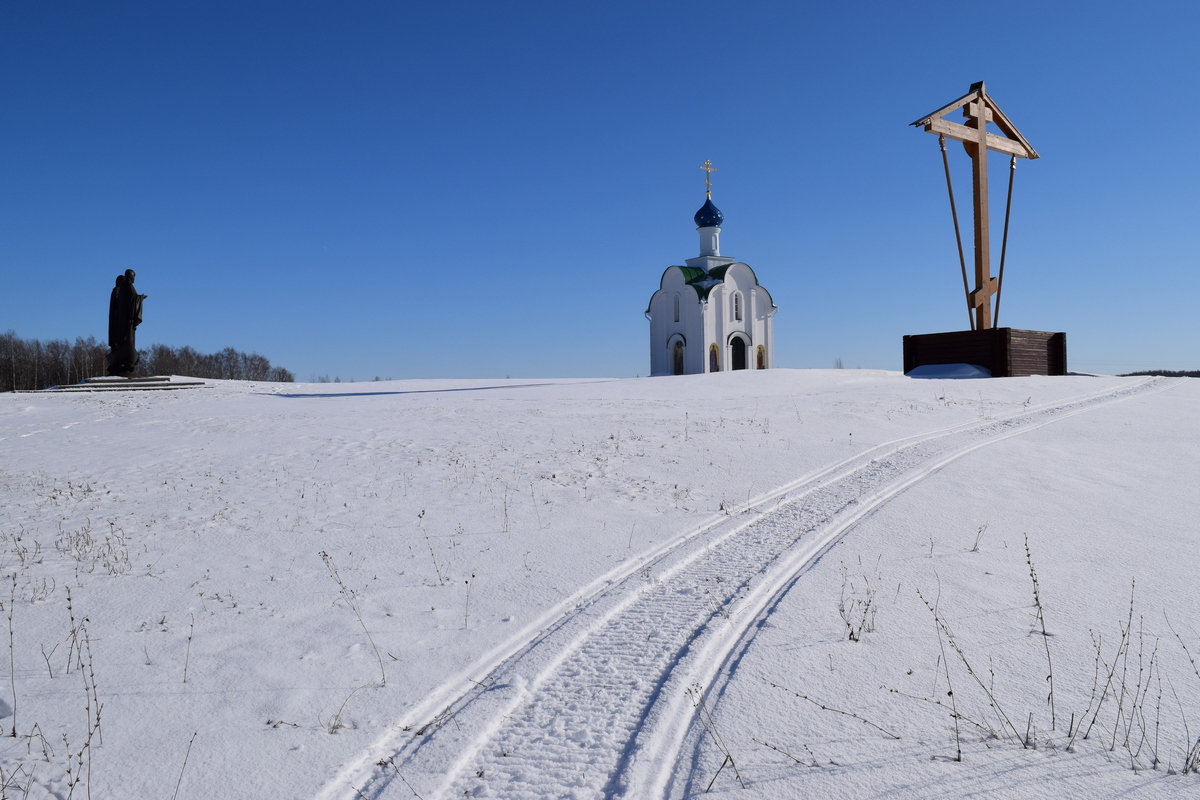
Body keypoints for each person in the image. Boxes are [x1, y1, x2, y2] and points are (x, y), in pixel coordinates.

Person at [106, 270, 148, 376]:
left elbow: (131, 301)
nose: (134, 279)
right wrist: (140, 298)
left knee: (128, 339)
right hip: (125, 321)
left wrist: (138, 299)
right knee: (127, 339)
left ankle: (127, 359)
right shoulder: (126, 287)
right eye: (133, 277)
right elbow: (133, 300)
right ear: (130, 277)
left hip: (126, 321)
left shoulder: (123, 288)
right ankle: (124, 357)